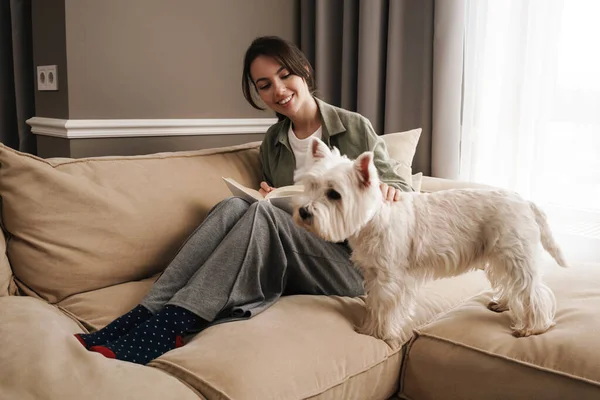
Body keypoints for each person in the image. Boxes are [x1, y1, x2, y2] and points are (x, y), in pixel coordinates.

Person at [74, 35, 412, 365]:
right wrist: (271, 196)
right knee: (232, 206)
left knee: (263, 217)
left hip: (351, 266)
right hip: (298, 252)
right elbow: (285, 211)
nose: (278, 90)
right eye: (264, 85)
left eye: (284, 75)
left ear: (305, 71)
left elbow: (398, 181)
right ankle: (147, 311)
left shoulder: (353, 127)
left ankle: (173, 324)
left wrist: (392, 187)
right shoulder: (272, 142)